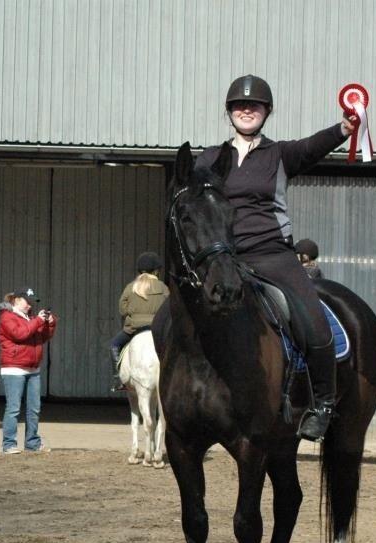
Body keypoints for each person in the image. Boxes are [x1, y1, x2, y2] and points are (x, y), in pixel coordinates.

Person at [193, 74, 356, 442]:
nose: (246, 110)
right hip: (225, 258)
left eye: (254, 105)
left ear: (267, 111)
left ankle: (322, 404)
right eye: (239, 105)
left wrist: (344, 128)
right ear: (229, 112)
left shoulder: (280, 155)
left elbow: (315, 145)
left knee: (311, 317)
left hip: (272, 255)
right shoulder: (209, 158)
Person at [0, 288, 58, 454]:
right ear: (16, 300)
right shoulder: (7, 317)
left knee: (34, 408)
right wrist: (38, 320)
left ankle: (32, 443)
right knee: (14, 408)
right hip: (14, 368)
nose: (29, 306)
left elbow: (41, 337)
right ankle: (9, 444)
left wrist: (49, 323)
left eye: (31, 303)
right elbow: (20, 334)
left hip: (33, 368)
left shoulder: (29, 318)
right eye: (27, 302)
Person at [109, 251, 170, 391]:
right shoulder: (163, 287)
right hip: (156, 330)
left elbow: (122, 310)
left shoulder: (131, 287)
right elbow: (168, 310)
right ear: (156, 271)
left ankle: (118, 380)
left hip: (134, 329)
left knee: (114, 345)